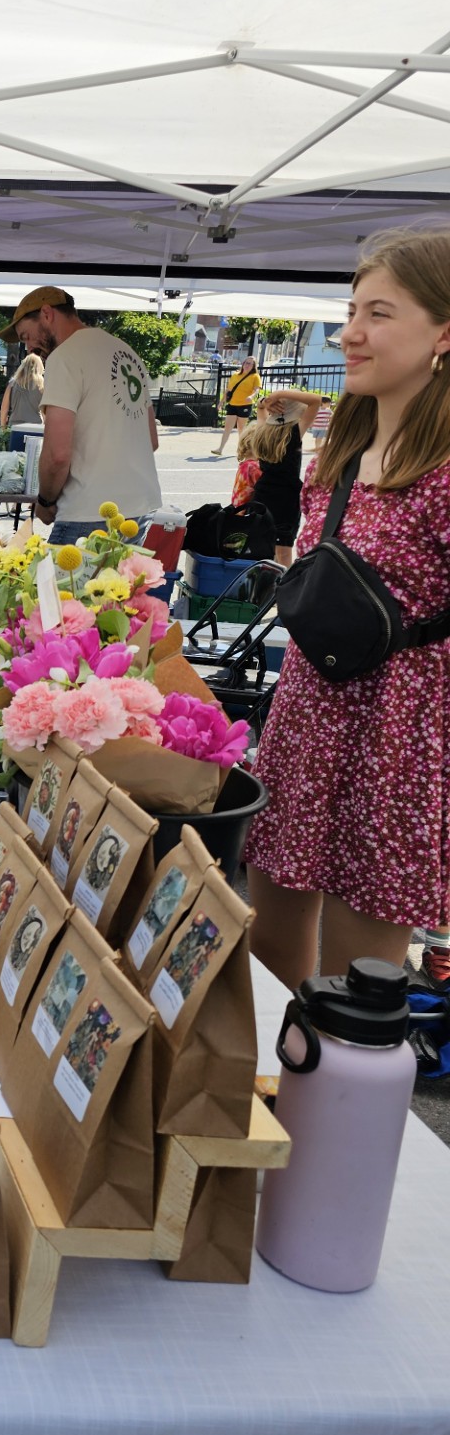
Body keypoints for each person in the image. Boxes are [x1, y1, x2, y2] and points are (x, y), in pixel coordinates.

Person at [244, 228, 450, 988]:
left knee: (357, 990)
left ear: (444, 333)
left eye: (380, 314)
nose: (349, 334)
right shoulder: (339, 459)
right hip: (306, 713)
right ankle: (274, 1101)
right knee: (268, 963)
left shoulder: (444, 472)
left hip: (398, 737)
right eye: (351, 310)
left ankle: (334, 1105)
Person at [0, 286, 161, 545]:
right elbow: (150, 440)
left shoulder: (65, 356)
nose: (28, 348)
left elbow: (57, 454)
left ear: (46, 313)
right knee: (115, 587)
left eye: (26, 336)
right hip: (139, 512)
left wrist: (45, 501)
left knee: (55, 586)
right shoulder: (127, 352)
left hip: (88, 514)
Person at [231, 389, 324, 566]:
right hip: (286, 498)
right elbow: (316, 401)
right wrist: (281, 394)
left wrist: (266, 401)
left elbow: (260, 409)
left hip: (262, 495)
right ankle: (282, 589)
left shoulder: (263, 431)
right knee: (284, 553)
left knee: (260, 548)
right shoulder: (293, 434)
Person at [212, 353, 261, 455]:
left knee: (241, 428)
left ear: (253, 366)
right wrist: (221, 402)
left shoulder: (255, 376)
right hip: (233, 404)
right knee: (227, 428)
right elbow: (228, 390)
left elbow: (257, 390)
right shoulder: (235, 375)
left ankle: (241, 450)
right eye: (246, 363)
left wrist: (251, 396)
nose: (247, 365)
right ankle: (220, 448)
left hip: (245, 405)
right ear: (243, 364)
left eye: (250, 364)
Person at [0, 346, 45, 431]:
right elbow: (45, 412)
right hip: (36, 427)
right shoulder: (42, 384)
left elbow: (4, 409)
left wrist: (3, 428)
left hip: (15, 427)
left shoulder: (12, 384)